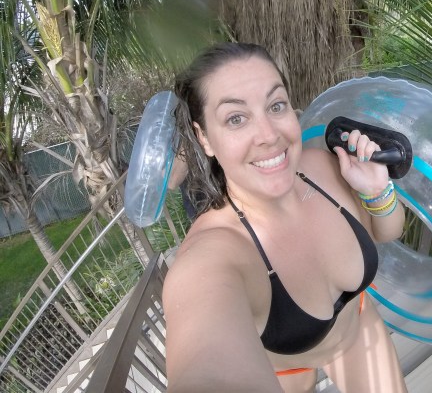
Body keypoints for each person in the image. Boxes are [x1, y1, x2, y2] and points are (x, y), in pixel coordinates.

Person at [162, 42, 408, 392]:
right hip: (285, 371)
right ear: (205, 138)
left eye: (276, 105)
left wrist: (376, 191)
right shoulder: (213, 256)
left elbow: (388, 232)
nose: (269, 135)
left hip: (357, 330)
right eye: (236, 118)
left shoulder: (324, 167)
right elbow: (205, 358)